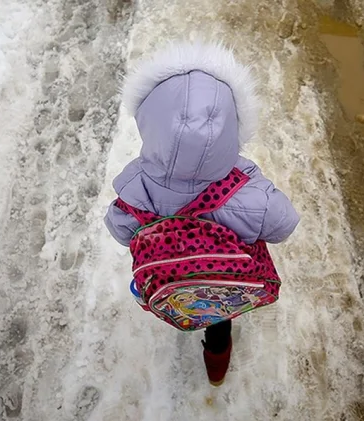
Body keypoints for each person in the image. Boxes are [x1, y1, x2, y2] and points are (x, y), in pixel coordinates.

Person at [104, 42, 300, 386]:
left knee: (183, 297)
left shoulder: (136, 186)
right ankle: (216, 370)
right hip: (219, 279)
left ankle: (181, 311)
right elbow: (284, 223)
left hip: (168, 278)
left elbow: (120, 227)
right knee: (218, 318)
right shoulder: (247, 193)